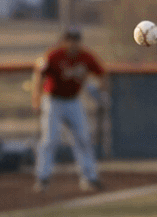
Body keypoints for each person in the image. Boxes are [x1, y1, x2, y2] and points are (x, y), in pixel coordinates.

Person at [30, 27, 106, 193]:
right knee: (50, 140)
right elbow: (39, 73)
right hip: (53, 100)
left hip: (73, 101)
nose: (73, 43)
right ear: (64, 41)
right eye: (70, 40)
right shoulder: (54, 55)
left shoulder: (86, 56)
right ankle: (43, 178)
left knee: (83, 138)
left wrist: (101, 92)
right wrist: (36, 99)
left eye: (76, 40)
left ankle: (89, 177)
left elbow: (101, 73)